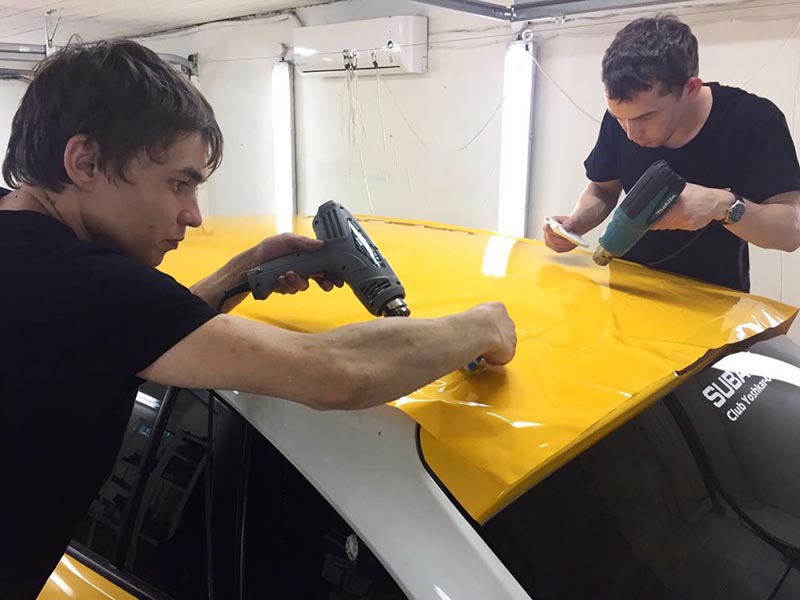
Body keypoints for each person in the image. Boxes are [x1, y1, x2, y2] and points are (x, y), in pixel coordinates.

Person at [0, 40, 517, 598]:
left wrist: (242, 273)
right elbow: (338, 372)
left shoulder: (32, 255)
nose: (193, 216)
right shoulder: (85, 286)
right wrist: (483, 325)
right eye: (179, 183)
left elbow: (132, 329)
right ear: (85, 162)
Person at [543, 15, 800, 292]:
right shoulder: (624, 120)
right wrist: (576, 222)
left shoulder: (753, 120)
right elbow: (603, 189)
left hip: (712, 300)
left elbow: (791, 231)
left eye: (645, 117)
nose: (631, 133)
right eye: (619, 118)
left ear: (691, 89)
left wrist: (724, 206)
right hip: (628, 287)